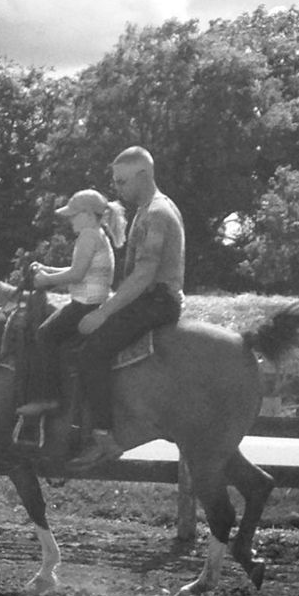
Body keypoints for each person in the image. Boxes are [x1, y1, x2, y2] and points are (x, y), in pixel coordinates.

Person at [69, 146, 185, 470]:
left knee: (93, 351)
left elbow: (145, 273)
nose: (117, 189)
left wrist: (103, 312)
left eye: (122, 181)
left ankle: (104, 437)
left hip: (156, 301)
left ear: (144, 175)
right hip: (151, 297)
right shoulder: (148, 210)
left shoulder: (157, 214)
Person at [16, 189, 126, 419]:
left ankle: (49, 397)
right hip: (94, 302)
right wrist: (49, 270)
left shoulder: (88, 236)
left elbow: (76, 275)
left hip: (85, 305)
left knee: (45, 334)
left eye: (73, 215)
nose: (70, 221)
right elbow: (78, 271)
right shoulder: (98, 234)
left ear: (86, 214)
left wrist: (46, 279)